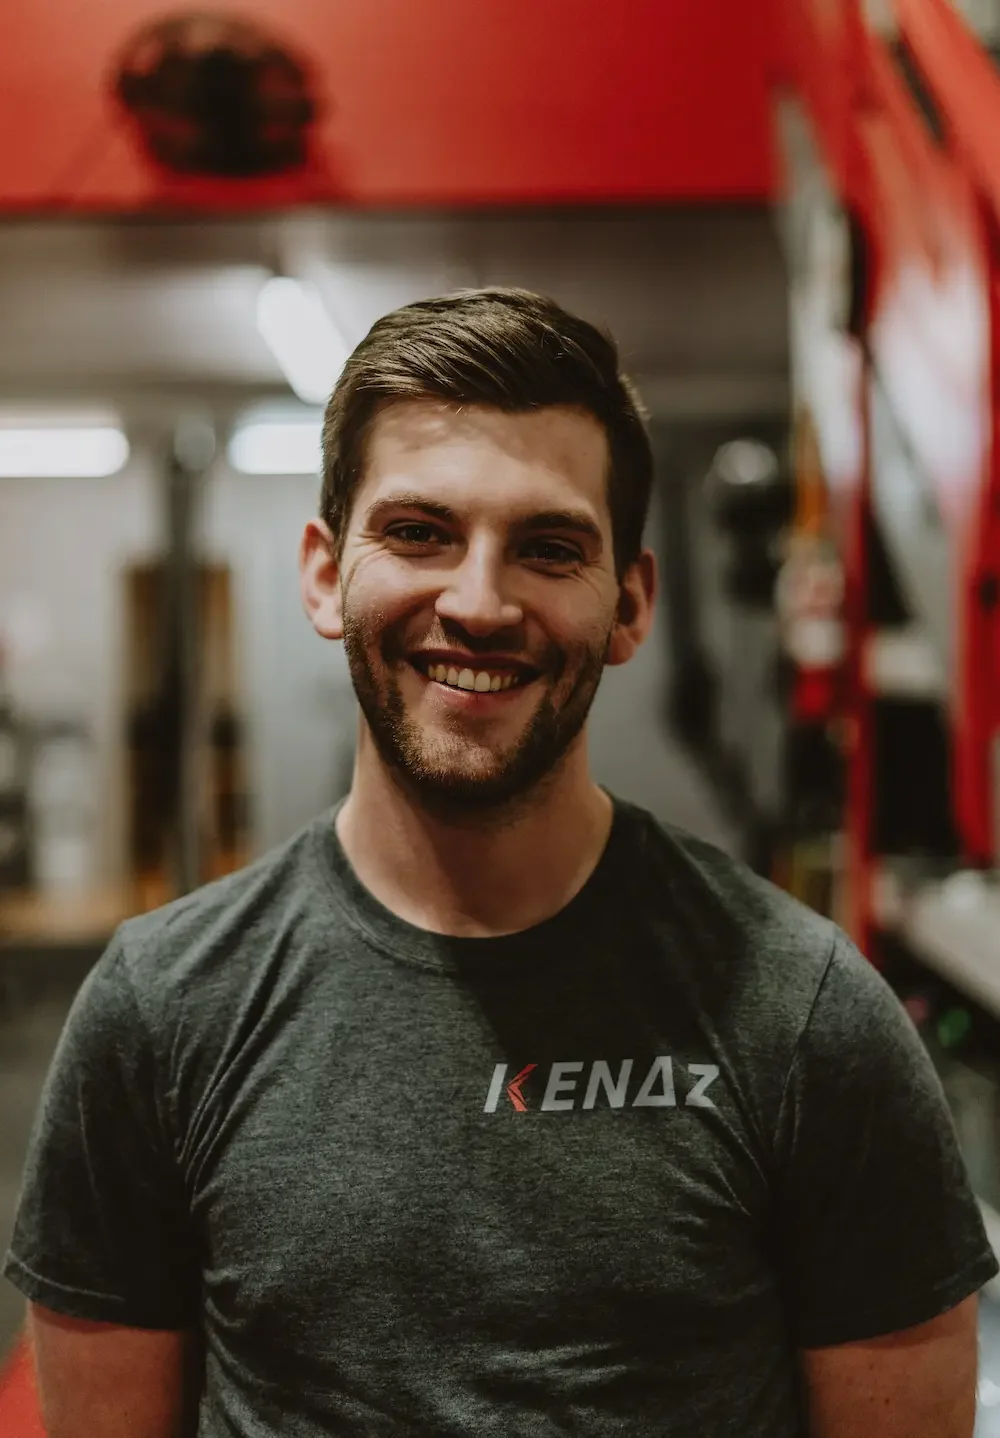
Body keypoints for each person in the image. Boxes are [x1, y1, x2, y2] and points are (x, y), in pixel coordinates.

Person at [4, 288, 995, 1438]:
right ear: (326, 573)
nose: (477, 603)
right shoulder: (161, 1010)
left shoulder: (802, 1011)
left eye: (548, 547)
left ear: (628, 604)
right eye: (419, 532)